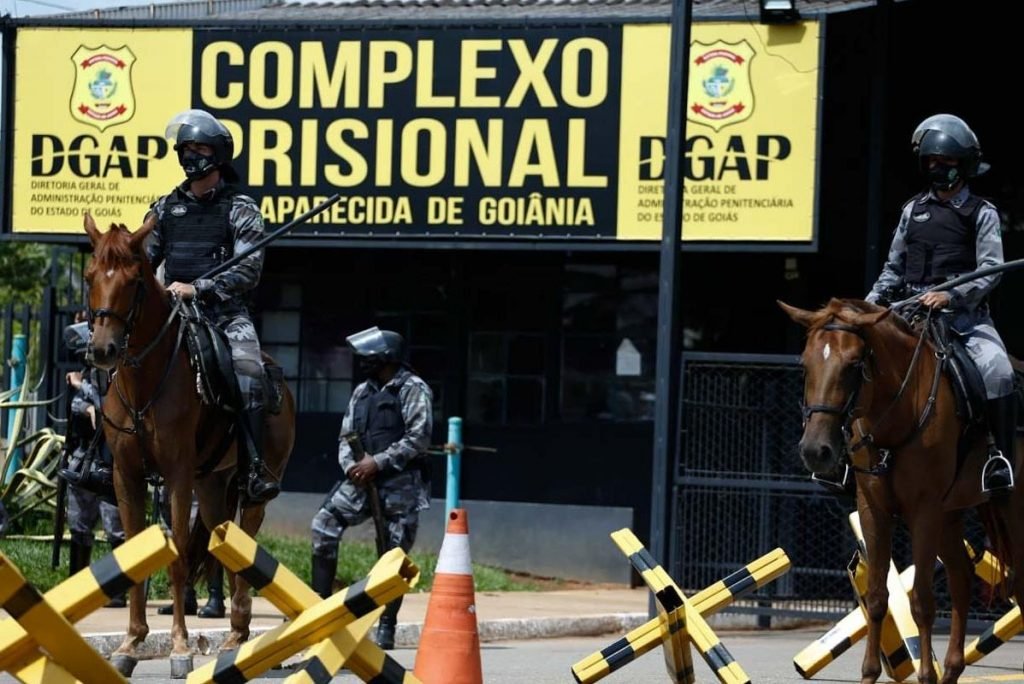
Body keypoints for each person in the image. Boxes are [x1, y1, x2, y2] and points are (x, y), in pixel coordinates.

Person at [866, 113, 1015, 494]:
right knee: (856, 359)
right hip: (911, 310)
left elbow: (990, 270)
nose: (937, 169)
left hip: (963, 318)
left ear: (963, 167)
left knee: (999, 371)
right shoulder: (911, 211)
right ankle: (850, 461)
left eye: (945, 164)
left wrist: (952, 294)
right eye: (931, 162)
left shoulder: (982, 212)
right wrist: (867, 307)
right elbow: (892, 268)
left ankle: (999, 460)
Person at [144, 108, 278, 503]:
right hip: (170, 313)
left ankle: (254, 466)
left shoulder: (241, 208)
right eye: (184, 148)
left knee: (249, 369)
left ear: (217, 153)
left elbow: (249, 270)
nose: (189, 155)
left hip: (223, 315)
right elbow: (143, 262)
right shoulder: (164, 208)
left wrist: (199, 288)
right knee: (113, 358)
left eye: (198, 147)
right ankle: (99, 458)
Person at [310, 327, 433, 649]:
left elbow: (418, 438)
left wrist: (377, 462)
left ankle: (387, 626)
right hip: (360, 481)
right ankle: (316, 606)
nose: (362, 361)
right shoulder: (363, 391)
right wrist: (352, 466)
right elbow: (345, 435)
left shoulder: (412, 389)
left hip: (400, 486)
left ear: (386, 357)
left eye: (368, 357)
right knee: (323, 525)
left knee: (392, 557)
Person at [57, 321, 127, 607]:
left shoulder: (121, 378)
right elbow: (78, 407)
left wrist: (87, 400)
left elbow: (106, 409)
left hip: (110, 461)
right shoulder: (87, 375)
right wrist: (81, 399)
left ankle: (118, 590)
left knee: (115, 527)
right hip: (82, 458)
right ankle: (77, 585)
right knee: (79, 524)